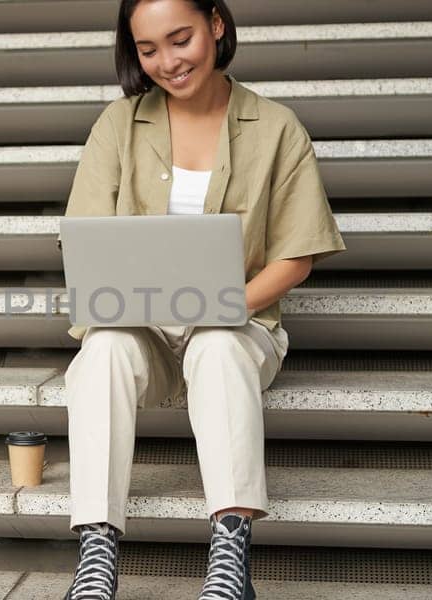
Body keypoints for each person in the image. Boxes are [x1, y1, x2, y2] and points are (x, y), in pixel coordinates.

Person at [60, 1, 347, 598]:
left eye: (180, 38)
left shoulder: (276, 128)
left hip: (238, 327)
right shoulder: (117, 125)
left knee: (217, 344)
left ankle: (230, 553)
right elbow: (85, 236)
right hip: (141, 329)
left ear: (216, 24)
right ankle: (96, 553)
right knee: (102, 350)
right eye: (148, 49)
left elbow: (296, 254)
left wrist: (224, 304)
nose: (167, 61)